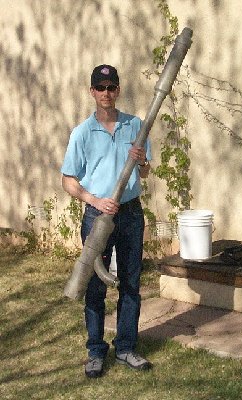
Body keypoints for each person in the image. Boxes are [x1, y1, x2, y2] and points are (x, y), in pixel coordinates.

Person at [61, 64, 152, 378]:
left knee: (130, 282)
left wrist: (142, 164)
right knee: (96, 287)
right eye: (100, 88)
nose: (106, 93)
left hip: (130, 214)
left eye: (111, 87)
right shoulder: (82, 133)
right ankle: (96, 351)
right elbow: (68, 180)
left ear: (118, 90)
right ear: (92, 92)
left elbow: (146, 172)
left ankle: (126, 347)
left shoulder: (135, 125)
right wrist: (94, 200)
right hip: (98, 216)